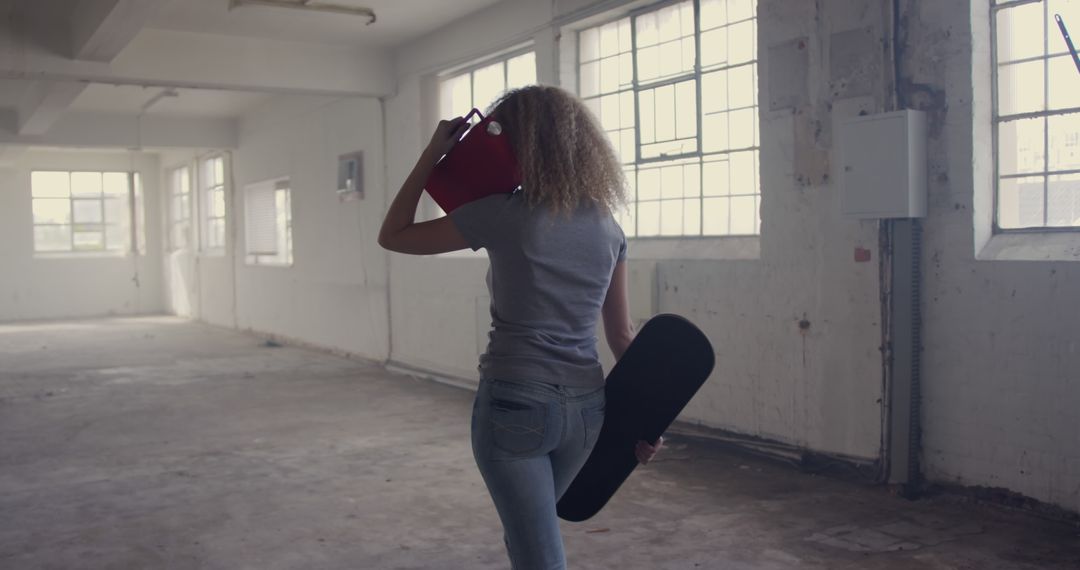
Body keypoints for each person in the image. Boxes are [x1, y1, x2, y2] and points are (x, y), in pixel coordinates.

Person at [378, 85, 663, 570]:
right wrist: (647, 421)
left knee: (539, 555)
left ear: (519, 145)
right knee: (529, 537)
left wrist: (433, 154)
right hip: (586, 413)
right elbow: (622, 337)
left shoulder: (502, 214)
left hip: (517, 408)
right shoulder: (609, 228)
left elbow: (394, 235)